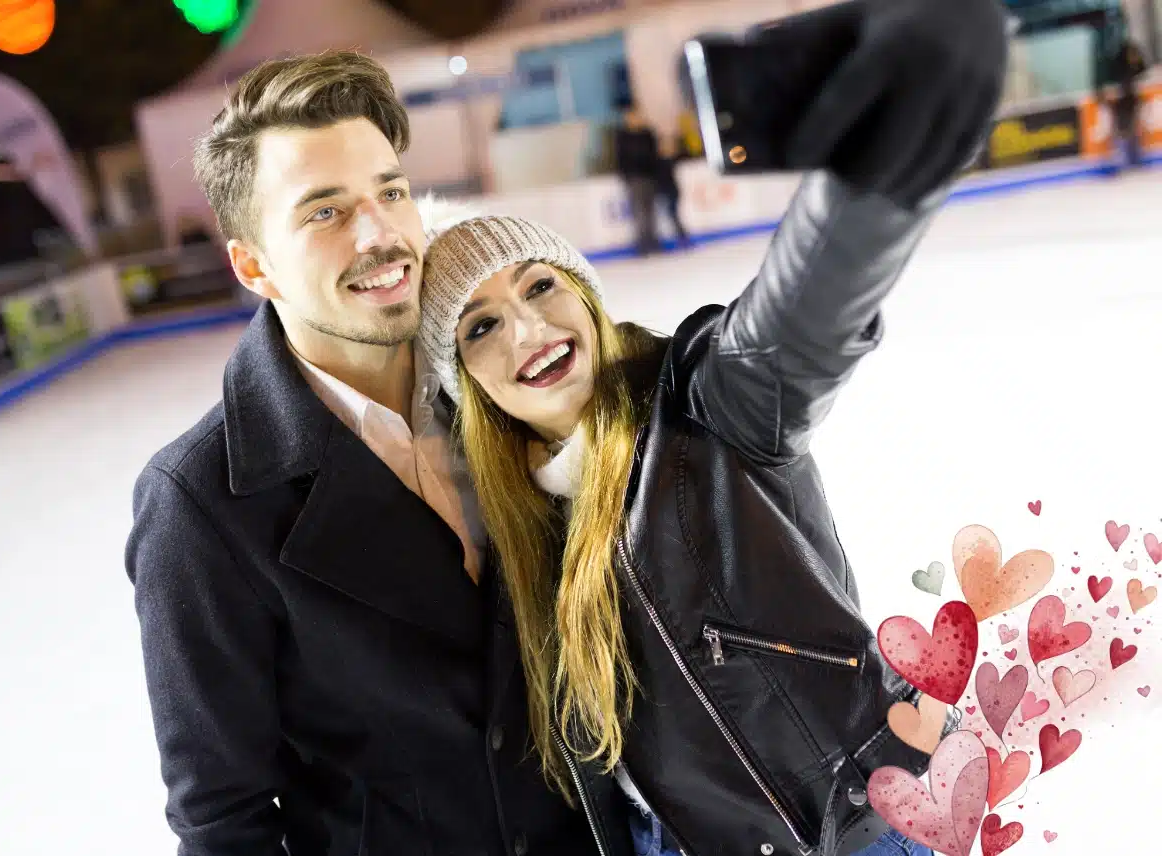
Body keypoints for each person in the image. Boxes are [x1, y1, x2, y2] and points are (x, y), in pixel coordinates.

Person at [414, 1, 1008, 855]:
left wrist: (882, 155)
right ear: (461, 383)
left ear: (583, 291)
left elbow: (809, 313)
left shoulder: (707, 405)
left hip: (857, 829)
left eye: (540, 286)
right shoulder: (511, 531)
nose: (531, 332)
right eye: (480, 327)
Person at [124, 52, 635, 856]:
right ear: (253, 264)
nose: (381, 236)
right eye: (323, 212)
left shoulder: (501, 384)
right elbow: (223, 820)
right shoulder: (201, 504)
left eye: (390, 192)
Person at [612, 103, 666, 255]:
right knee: (639, 212)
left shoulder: (647, 133)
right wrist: (626, 176)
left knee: (651, 211)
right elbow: (620, 158)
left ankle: (654, 242)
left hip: (650, 177)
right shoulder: (623, 136)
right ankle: (643, 245)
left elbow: (655, 156)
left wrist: (657, 175)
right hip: (634, 178)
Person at [1109, 38, 1148, 168]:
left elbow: (1143, 73)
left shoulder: (1136, 66)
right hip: (1122, 105)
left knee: (1132, 131)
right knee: (1122, 131)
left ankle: (1134, 159)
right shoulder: (1120, 69)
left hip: (1131, 103)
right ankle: (1123, 160)